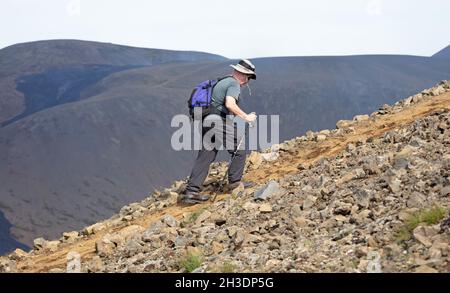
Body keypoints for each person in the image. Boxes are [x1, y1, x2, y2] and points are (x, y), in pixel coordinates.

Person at [182, 59, 258, 203]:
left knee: (206, 155)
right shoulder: (233, 84)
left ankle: (191, 192)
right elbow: (230, 103)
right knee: (239, 149)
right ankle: (234, 183)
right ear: (243, 75)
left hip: (206, 120)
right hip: (217, 121)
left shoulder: (222, 81)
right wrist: (246, 117)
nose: (248, 81)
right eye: (249, 77)